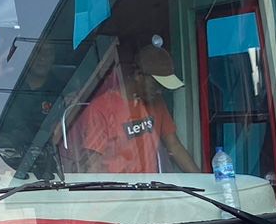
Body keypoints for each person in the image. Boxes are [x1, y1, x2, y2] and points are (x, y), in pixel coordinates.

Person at [65, 34, 196, 173]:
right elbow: (93, 166)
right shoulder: (100, 109)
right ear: (138, 75)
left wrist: (202, 181)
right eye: (156, 85)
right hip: (118, 191)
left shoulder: (157, 102)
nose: (159, 92)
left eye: (162, 88)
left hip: (151, 190)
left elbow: (174, 146)